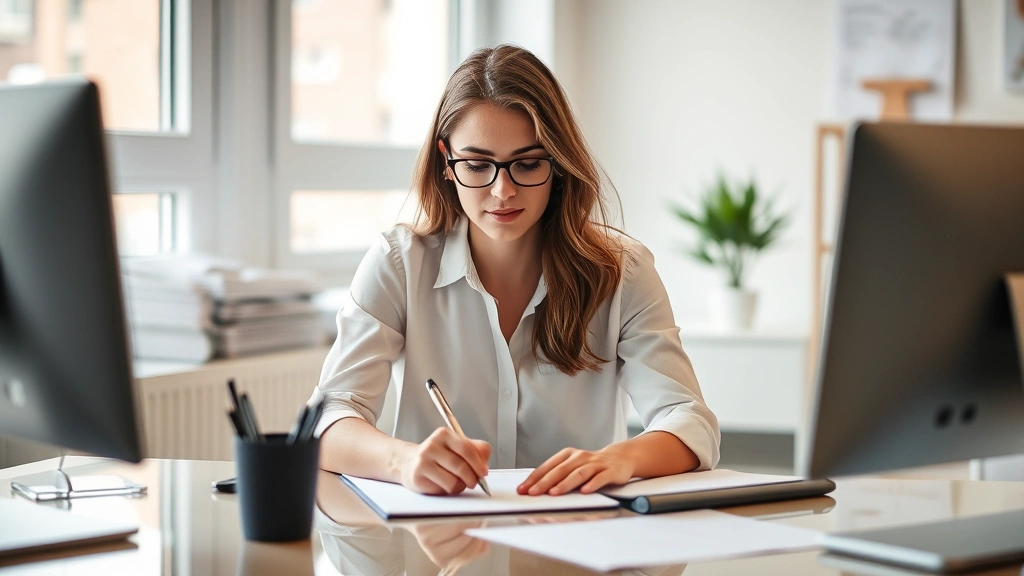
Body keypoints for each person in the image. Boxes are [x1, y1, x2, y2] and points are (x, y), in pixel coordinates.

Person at [312, 44, 720, 497]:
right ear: (446, 163)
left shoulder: (623, 271)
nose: (502, 190)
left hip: (575, 547)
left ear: (559, 165)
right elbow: (328, 418)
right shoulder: (397, 264)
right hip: (439, 547)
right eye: (477, 165)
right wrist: (403, 461)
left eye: (527, 164)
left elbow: (689, 419)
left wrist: (619, 459)